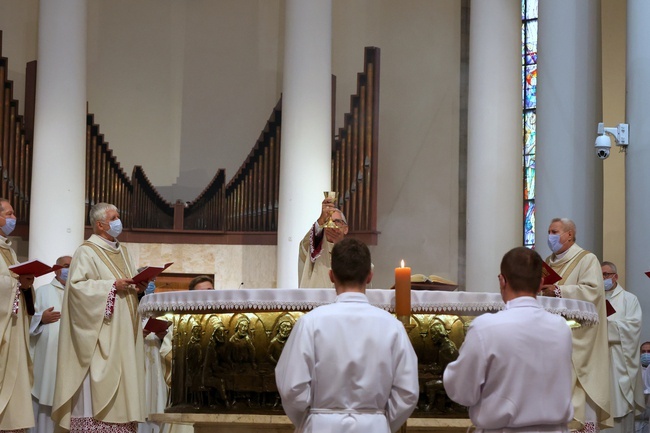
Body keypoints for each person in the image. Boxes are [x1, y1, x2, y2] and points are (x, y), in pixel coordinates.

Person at [276, 238, 419, 433]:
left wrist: (311, 420)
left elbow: (292, 389)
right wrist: (379, 421)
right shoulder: (392, 327)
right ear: (369, 275)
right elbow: (407, 392)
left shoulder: (310, 323)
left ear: (331, 276)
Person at [444, 246, 574, 433]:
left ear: (502, 281)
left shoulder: (486, 327)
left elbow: (462, 391)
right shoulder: (561, 328)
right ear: (540, 283)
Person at [52, 203, 147, 432]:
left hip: (124, 333)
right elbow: (77, 289)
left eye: (118, 216)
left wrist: (138, 287)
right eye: (114, 218)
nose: (118, 221)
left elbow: (128, 284)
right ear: (100, 224)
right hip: (100, 334)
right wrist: (112, 286)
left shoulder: (122, 251)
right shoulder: (86, 251)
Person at [541, 218, 611, 432]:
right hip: (551, 336)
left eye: (555, 231)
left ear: (569, 234)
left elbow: (593, 291)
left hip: (578, 336)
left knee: (578, 387)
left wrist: (560, 291)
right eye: (549, 231)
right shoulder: (548, 262)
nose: (550, 236)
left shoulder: (586, 259)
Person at [0, 198, 36, 432]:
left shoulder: (9, 250)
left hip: (12, 328)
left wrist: (24, 285)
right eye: (9, 213)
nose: (13, 218)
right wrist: (15, 283)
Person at [30, 255, 71, 433]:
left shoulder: (77, 293)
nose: (70, 269)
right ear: (56, 269)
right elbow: (27, 321)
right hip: (47, 357)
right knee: (44, 400)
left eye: (72, 266)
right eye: (66, 265)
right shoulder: (42, 291)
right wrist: (41, 319)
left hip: (70, 355)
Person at [601, 261, 644, 433]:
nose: (603, 278)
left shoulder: (629, 299)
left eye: (606, 274)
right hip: (599, 361)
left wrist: (604, 326)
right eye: (600, 275)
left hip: (620, 363)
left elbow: (633, 328)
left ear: (616, 276)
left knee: (620, 409)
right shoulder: (593, 299)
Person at [298, 196, 348, 288]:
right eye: (327, 221)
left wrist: (339, 244)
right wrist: (321, 219)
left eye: (336, 221)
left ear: (345, 229)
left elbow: (364, 269)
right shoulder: (315, 248)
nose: (332, 225)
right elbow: (305, 244)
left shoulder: (353, 251)